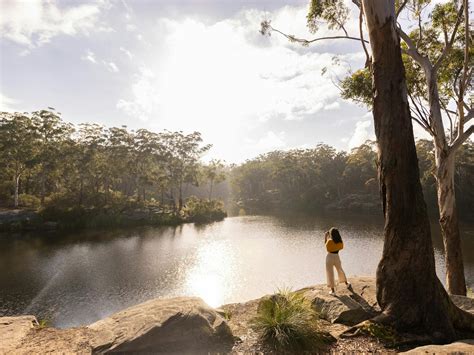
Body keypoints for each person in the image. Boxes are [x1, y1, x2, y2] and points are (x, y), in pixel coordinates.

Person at [325, 227, 351, 295]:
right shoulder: (340, 241)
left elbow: (327, 248)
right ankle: (346, 283)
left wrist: (326, 237)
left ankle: (333, 291)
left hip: (329, 257)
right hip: (336, 257)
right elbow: (341, 247)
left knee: (330, 273)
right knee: (340, 270)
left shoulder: (329, 241)